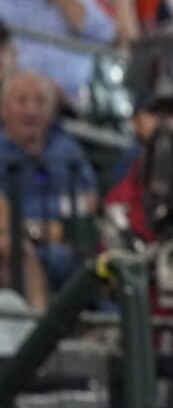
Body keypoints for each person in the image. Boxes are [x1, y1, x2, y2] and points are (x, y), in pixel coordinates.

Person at [0, 70, 97, 290]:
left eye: (40, 101)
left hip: (66, 244)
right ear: (3, 108)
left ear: (52, 110)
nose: (31, 110)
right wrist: (33, 230)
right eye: (22, 100)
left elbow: (88, 199)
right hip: (12, 247)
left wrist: (68, 229)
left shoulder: (67, 149)